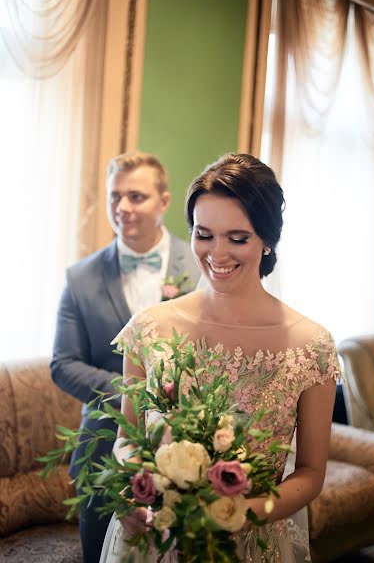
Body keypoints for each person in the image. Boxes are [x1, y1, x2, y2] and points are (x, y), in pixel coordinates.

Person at [99, 153, 341, 563]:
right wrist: (132, 491)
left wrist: (245, 512)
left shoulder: (312, 345)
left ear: (267, 239)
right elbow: (127, 440)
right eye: (204, 234)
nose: (217, 253)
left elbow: (311, 472)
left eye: (238, 237)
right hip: (157, 535)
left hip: (252, 541)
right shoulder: (149, 328)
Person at [51, 151, 200, 563]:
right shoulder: (79, 278)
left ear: (164, 202)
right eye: (114, 197)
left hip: (193, 451)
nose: (122, 208)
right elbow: (62, 364)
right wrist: (140, 394)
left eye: (136, 196)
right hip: (102, 451)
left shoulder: (203, 266)